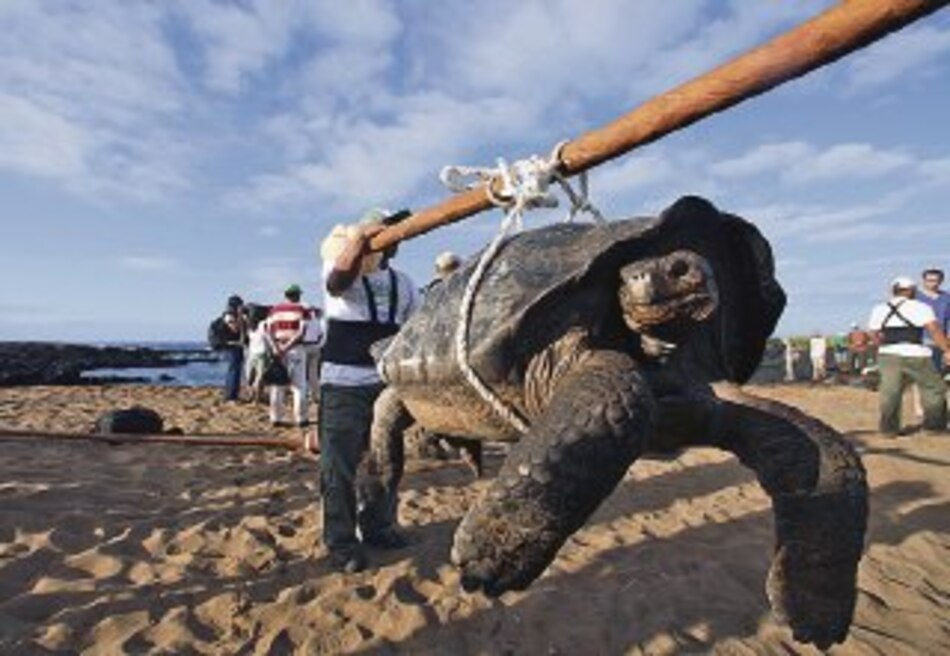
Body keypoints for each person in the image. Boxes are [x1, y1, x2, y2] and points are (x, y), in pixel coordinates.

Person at [318, 209, 419, 573]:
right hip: (342, 384)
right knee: (338, 466)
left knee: (385, 464)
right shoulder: (341, 266)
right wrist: (360, 241)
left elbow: (412, 331)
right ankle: (341, 541)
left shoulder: (405, 283)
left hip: (385, 385)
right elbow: (336, 284)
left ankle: (378, 526)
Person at [868, 275, 950, 436]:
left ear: (893, 291)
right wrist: (946, 350)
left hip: (888, 354)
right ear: (912, 291)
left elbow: (874, 334)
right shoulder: (921, 307)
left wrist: (882, 346)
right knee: (934, 388)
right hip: (916, 353)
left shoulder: (879, 308)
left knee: (890, 392)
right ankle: (934, 426)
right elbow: (934, 330)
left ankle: (888, 429)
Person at [266, 284, 309, 427]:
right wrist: (287, 346)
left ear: (285, 295)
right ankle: (300, 418)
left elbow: (269, 331)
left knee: (278, 385)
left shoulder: (274, 310)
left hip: (278, 348)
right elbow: (301, 332)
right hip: (295, 349)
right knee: (299, 386)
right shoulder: (302, 309)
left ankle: (275, 417)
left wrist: (276, 348)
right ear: (297, 295)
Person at [916, 267, 950, 374]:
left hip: (941, 339)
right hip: (921, 338)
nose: (933, 284)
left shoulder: (946, 298)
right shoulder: (916, 297)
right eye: (930, 280)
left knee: (936, 370)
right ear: (924, 281)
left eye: (936, 280)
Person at [219, 295, 246, 402]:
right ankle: (231, 396)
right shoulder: (229, 316)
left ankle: (232, 394)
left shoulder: (229, 315)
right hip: (232, 346)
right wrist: (240, 317)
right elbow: (235, 330)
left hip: (235, 345)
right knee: (234, 370)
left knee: (235, 370)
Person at [302, 305, 325, 405]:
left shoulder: (304, 321)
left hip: (304, 346)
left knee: (303, 373)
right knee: (313, 374)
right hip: (315, 346)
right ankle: (315, 396)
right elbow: (320, 335)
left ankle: (305, 395)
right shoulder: (317, 321)